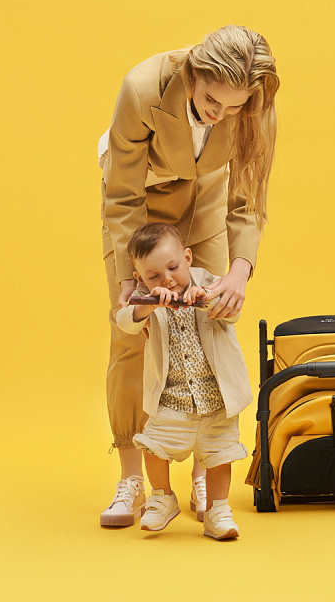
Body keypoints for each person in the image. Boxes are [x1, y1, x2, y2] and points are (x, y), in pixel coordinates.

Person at [99, 25, 279, 526]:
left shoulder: (254, 104)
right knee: (133, 337)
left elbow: (249, 196)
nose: (220, 114)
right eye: (211, 100)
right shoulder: (143, 87)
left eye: (233, 107)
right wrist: (131, 285)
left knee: (209, 326)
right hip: (141, 207)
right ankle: (133, 477)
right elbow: (123, 196)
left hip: (206, 203)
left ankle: (204, 468)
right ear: (194, 73)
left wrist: (238, 273)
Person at [116, 222, 252, 539]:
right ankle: (162, 497)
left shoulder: (211, 284)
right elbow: (125, 321)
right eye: (154, 276)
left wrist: (208, 297)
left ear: (187, 258)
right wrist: (150, 303)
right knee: (152, 447)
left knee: (219, 457)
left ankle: (218, 511)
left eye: (173, 268)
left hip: (216, 398)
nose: (167, 279)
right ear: (140, 278)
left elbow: (232, 313)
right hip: (171, 401)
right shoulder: (144, 297)